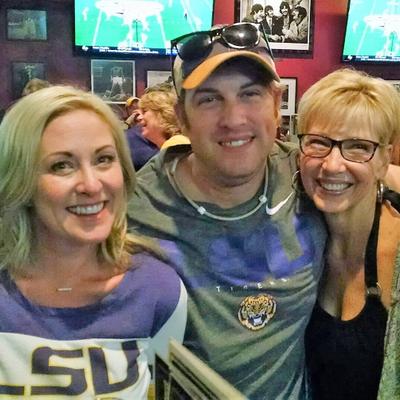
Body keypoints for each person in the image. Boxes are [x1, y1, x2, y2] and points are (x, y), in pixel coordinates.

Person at [127, 22, 327, 399]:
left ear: (276, 104)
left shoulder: (310, 177)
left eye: (250, 94)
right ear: (181, 116)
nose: (234, 118)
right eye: (208, 99)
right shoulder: (131, 209)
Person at [0, 86, 187, 399]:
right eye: (62, 165)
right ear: (21, 179)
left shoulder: (158, 290)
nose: (90, 184)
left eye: (103, 159)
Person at [296, 69, 400, 399]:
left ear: (385, 158)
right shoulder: (289, 229)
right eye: (319, 143)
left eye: (358, 147)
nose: (332, 165)